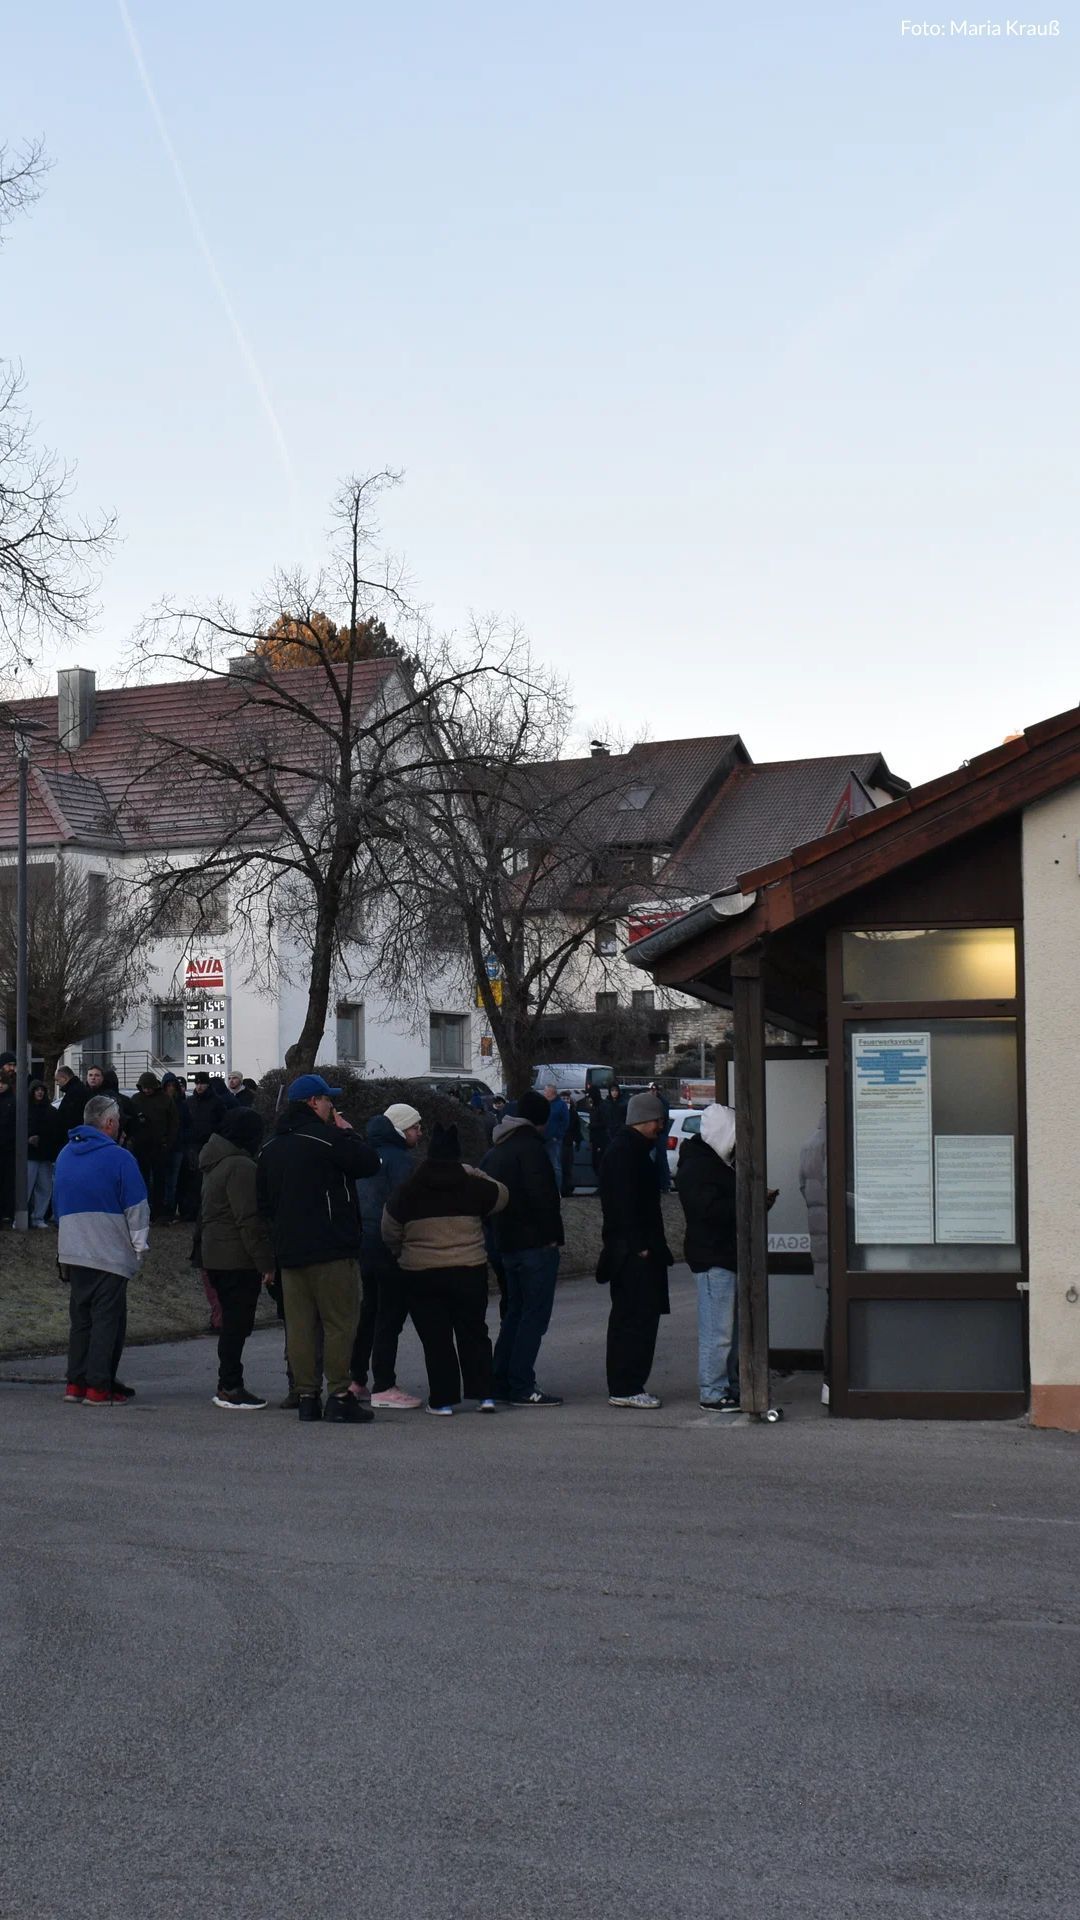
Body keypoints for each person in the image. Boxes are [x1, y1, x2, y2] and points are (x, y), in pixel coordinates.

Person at [255, 1073, 380, 1424]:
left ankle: (307, 1395)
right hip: (330, 1247)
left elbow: (262, 1204)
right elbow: (369, 1163)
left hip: (290, 1251)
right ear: (314, 1102)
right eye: (328, 1101)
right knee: (340, 1322)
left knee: (300, 1326)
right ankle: (339, 1394)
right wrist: (347, 1132)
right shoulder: (328, 1139)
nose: (331, 1107)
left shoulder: (269, 1147)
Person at [382, 1123, 507, 1416]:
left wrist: (401, 1252)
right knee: (474, 1332)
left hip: (421, 1273)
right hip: (469, 1268)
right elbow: (503, 1195)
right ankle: (484, 1394)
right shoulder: (473, 1185)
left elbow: (389, 1229)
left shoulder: (409, 1189)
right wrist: (475, 1172)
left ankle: (442, 1400)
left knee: (436, 1338)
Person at [53, 1093, 149, 1405]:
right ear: (108, 1123)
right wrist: (138, 1248)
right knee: (108, 1320)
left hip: (72, 1247)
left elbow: (57, 1204)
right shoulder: (120, 1157)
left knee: (81, 1320)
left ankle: (76, 1384)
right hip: (109, 1250)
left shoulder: (66, 1154)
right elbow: (137, 1208)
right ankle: (99, 1386)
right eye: (118, 1121)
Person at [484, 1088, 564, 1406]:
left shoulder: (496, 1150)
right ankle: (521, 1383)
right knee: (533, 1315)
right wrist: (552, 1236)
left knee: (514, 1313)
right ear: (540, 1122)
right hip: (534, 1244)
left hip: (505, 1243)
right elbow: (544, 1199)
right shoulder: (532, 1150)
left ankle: (500, 1378)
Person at [597, 1090, 673, 1409]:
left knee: (634, 1317)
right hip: (634, 1253)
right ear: (646, 1120)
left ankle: (627, 1383)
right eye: (659, 1121)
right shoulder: (627, 1153)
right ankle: (627, 1385)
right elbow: (623, 1204)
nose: (662, 1128)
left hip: (631, 1250)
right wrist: (640, 1246)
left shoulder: (630, 1150)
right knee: (635, 1319)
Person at [199, 1107, 275, 1409]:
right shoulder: (241, 1166)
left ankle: (228, 1382)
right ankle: (230, 1385)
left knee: (231, 1322)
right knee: (237, 1324)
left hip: (214, 1253)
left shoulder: (214, 1162)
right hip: (235, 1257)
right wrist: (265, 1262)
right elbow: (248, 1219)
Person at [350, 1102, 424, 1410]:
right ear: (402, 1129)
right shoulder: (401, 1161)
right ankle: (384, 1383)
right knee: (389, 1316)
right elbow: (405, 1205)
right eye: (416, 1127)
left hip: (363, 1243)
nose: (420, 1133)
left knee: (368, 1312)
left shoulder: (365, 1155)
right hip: (390, 1247)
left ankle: (356, 1379)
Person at [676, 1103, 741, 1412]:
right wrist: (747, 1202)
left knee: (726, 1330)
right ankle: (714, 1391)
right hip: (714, 1255)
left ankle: (725, 1386)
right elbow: (708, 1213)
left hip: (719, 1253)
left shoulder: (706, 1163)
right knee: (719, 1331)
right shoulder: (702, 1167)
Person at [799, 1102, 830, 1407]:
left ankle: (829, 1382)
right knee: (841, 1315)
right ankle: (836, 1380)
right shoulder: (837, 1143)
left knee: (833, 1310)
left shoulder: (809, 1144)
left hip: (820, 1236)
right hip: (840, 1241)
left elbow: (803, 1188)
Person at [129, 1070, 180, 1222]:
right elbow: (130, 1121)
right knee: (143, 1180)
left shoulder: (165, 1100)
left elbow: (174, 1123)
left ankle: (158, 1211)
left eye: (149, 1087)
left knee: (160, 1181)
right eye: (144, 1088)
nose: (147, 1090)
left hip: (160, 1147)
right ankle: (146, 1210)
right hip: (141, 1147)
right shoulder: (136, 1100)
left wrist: (167, 1143)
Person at [179, 1072, 229, 1220]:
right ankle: (192, 1211)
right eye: (197, 1083)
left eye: (202, 1083)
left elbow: (223, 1123)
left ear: (208, 1084)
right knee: (193, 1180)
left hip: (210, 1144)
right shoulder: (190, 1102)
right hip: (193, 1145)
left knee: (207, 1180)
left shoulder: (217, 1102)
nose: (199, 1086)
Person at [26, 1080, 66, 1227]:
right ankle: (23, 1215)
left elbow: (56, 1132)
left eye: (42, 1090)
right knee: (27, 1187)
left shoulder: (50, 1111)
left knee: (44, 1187)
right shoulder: (25, 1109)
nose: (40, 1092)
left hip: (44, 1155)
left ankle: (38, 1217)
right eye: (37, 1090)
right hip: (30, 1154)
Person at [161, 1072, 189, 1220]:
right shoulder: (174, 1104)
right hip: (164, 1147)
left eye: (173, 1086)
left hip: (176, 1147)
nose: (171, 1088)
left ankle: (169, 1210)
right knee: (163, 1180)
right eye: (168, 1086)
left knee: (172, 1181)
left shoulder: (181, 1105)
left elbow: (187, 1125)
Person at [542, 1082, 569, 1183]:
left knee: (555, 1166)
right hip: (542, 1139)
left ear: (551, 1092)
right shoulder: (543, 1104)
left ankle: (557, 1190)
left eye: (545, 1091)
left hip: (554, 1140)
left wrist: (557, 1136)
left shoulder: (561, 1105)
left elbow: (565, 1122)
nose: (544, 1093)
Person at [649, 1082, 672, 1193]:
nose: (653, 1092)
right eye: (651, 1090)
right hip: (653, 1134)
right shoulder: (651, 1102)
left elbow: (662, 1119)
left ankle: (665, 1184)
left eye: (654, 1090)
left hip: (660, 1134)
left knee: (661, 1159)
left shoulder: (662, 1103)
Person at [55, 1065, 89, 1134]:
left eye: (57, 1080)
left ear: (64, 1078)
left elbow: (69, 1117)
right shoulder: (78, 1089)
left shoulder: (73, 1093)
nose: (57, 1083)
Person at [588, 1086, 609, 1182]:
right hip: (595, 1138)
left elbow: (605, 1122)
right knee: (595, 1163)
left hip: (601, 1139)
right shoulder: (594, 1107)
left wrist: (592, 1126)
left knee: (600, 1162)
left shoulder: (602, 1106)